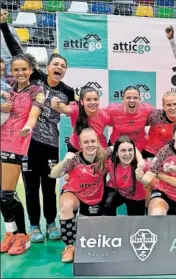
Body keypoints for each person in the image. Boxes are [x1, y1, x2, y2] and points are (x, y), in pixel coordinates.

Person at [2, 9, 74, 243]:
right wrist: (3, 25)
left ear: (65, 71)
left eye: (62, 66)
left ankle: (51, 223)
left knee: (49, 188)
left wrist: (67, 108)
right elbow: (17, 53)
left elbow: (77, 112)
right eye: (56, 64)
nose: (59, 68)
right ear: (48, 66)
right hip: (27, 143)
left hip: (51, 145)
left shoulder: (67, 91)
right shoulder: (37, 79)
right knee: (31, 188)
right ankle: (34, 226)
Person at [0, 54, 44, 255]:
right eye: (16, 69)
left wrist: (28, 126)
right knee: (0, 195)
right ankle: (10, 232)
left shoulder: (36, 90)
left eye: (24, 69)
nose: (20, 73)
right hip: (1, 138)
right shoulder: (7, 87)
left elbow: (34, 112)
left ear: (31, 70)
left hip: (15, 143)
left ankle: (23, 237)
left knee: (7, 194)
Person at [49, 128, 109, 263]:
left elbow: (123, 149)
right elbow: (53, 174)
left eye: (93, 141)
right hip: (74, 194)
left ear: (98, 142)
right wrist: (64, 161)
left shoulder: (104, 156)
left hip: (94, 199)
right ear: (80, 145)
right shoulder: (74, 159)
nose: (90, 144)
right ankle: (69, 246)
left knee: (91, 238)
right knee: (66, 205)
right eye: (86, 142)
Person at [51, 87, 110, 152]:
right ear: (82, 102)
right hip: (76, 149)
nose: (93, 102)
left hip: (97, 150)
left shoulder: (105, 115)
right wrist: (55, 102)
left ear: (99, 100)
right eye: (88, 100)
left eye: (95, 99)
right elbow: (63, 108)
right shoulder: (76, 110)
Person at [103, 136, 147, 216]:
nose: (127, 154)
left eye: (130, 150)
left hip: (136, 197)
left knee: (135, 222)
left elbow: (155, 179)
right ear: (116, 153)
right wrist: (111, 147)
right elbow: (96, 156)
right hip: (117, 191)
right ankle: (111, 225)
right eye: (123, 150)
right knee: (107, 203)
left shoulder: (143, 166)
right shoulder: (110, 162)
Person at [104, 86, 154, 153]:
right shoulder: (112, 110)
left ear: (139, 99)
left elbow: (162, 118)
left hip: (140, 149)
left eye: (135, 98)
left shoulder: (147, 109)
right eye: (128, 97)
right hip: (117, 147)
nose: (132, 100)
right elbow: (97, 117)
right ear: (123, 99)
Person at [144, 92, 176, 158]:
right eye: (168, 105)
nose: (173, 108)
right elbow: (140, 126)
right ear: (163, 106)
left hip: (172, 155)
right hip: (152, 154)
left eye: (175, 104)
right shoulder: (155, 116)